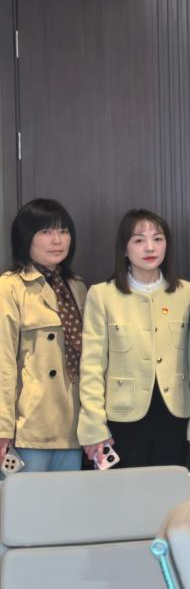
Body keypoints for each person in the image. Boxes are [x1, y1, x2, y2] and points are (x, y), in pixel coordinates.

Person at [78, 209, 190, 469]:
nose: (150, 247)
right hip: (121, 419)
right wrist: (94, 425)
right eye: (139, 240)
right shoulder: (102, 295)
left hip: (174, 417)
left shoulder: (188, 293)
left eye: (158, 239)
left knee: (171, 491)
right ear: (124, 249)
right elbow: (92, 366)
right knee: (125, 492)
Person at [0, 199, 88, 474]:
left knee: (68, 501)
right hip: (29, 427)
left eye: (63, 231)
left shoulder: (77, 287)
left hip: (73, 427)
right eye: (46, 232)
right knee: (26, 501)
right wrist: (3, 428)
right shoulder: (10, 287)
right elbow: (3, 364)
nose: (57, 240)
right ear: (26, 237)